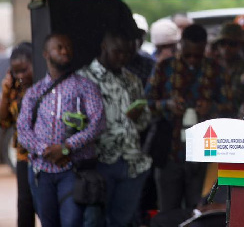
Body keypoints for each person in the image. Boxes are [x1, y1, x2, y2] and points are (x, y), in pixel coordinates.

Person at [16, 33, 105, 226]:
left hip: (73, 170)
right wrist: (45, 151)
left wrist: (66, 147)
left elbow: (97, 124)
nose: (65, 51)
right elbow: (22, 129)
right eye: (59, 47)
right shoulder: (35, 91)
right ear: (46, 54)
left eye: (68, 48)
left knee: (72, 221)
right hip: (41, 171)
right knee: (49, 223)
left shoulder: (86, 87)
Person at [145, 24, 224, 212]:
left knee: (198, 209)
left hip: (204, 153)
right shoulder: (164, 68)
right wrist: (167, 105)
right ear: (181, 45)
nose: (192, 60)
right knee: (167, 210)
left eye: (197, 55)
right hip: (170, 151)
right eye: (188, 54)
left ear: (205, 47)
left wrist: (211, 107)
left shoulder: (215, 70)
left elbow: (232, 108)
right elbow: (145, 103)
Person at [78, 29, 152, 226]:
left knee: (123, 221)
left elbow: (144, 122)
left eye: (127, 53)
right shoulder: (84, 79)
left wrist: (138, 117)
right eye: (117, 52)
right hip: (99, 162)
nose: (123, 57)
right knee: (94, 220)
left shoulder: (132, 80)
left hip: (131, 163)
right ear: (104, 47)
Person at [0, 43, 35, 227]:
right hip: (23, 155)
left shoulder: (43, 85)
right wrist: (6, 93)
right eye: (16, 72)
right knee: (24, 203)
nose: (20, 76)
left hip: (46, 155)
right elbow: (4, 122)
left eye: (24, 70)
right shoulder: (14, 88)